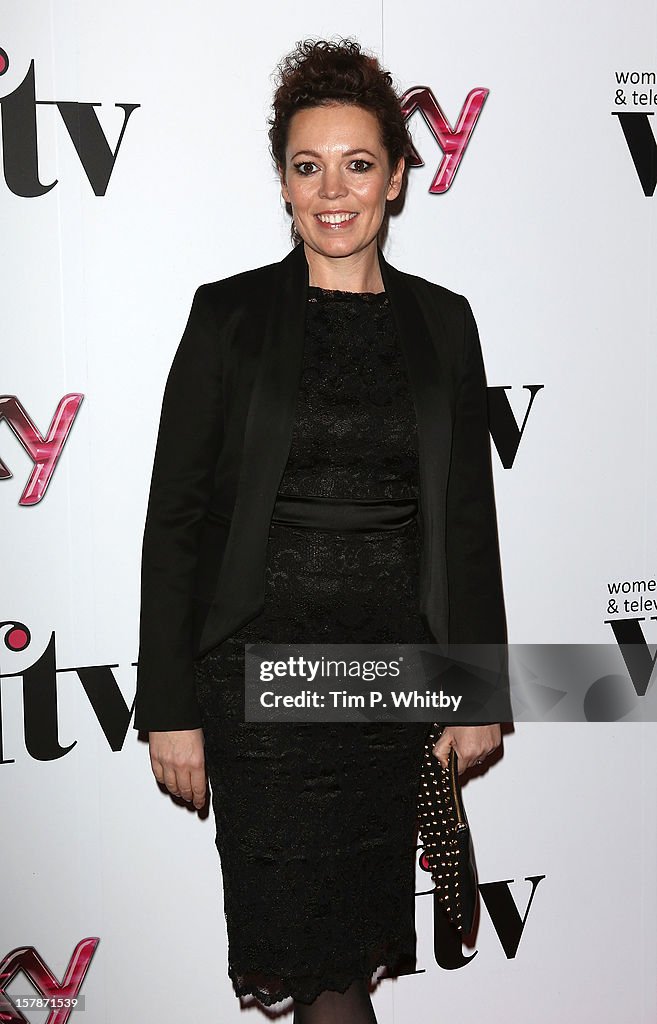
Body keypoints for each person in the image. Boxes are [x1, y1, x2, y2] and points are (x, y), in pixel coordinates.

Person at [133, 38, 508, 1024]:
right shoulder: (229, 319)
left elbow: (466, 520)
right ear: (285, 184)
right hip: (262, 693)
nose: (332, 190)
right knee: (319, 969)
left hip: (389, 686)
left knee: (346, 959)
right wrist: (169, 704)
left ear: (394, 180)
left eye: (358, 163)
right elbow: (174, 520)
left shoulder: (445, 325)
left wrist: (475, 691)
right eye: (308, 166)